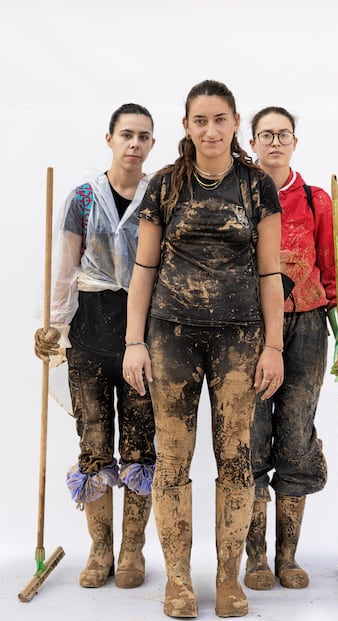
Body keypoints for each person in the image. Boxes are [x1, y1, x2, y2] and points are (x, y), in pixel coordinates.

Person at [122, 80, 285, 618]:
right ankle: (177, 581)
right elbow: (143, 269)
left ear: (236, 122)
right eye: (200, 120)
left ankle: (228, 579)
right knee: (173, 460)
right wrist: (134, 342)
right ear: (186, 127)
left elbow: (270, 272)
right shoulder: (166, 185)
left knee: (236, 459)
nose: (210, 130)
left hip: (241, 340)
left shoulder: (258, 185)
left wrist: (275, 347)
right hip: (172, 337)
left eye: (220, 119)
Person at [34, 103, 157, 589]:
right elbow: (65, 267)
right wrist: (55, 325)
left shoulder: (158, 197)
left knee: (140, 444)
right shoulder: (83, 199)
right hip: (89, 330)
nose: (134, 143)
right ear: (109, 138)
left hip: (141, 335)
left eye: (143, 136)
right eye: (126, 134)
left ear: (152, 144)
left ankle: (132, 551)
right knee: (94, 443)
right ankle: (100, 548)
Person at [243, 106, 338, 592]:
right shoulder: (238, 193)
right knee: (248, 436)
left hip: (306, 327)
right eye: (265, 134)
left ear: (294, 141)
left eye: (282, 134)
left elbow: (334, 266)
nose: (274, 142)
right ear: (251, 142)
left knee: (295, 433)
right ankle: (255, 558)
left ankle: (287, 556)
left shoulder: (316, 200)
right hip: (248, 329)